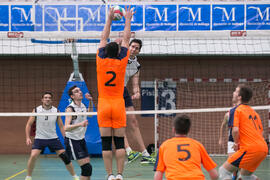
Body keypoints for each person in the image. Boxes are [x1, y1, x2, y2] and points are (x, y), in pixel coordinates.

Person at [96, 6, 134, 180]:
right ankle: (120, 174)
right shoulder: (122, 62)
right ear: (119, 53)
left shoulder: (100, 60)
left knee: (105, 143)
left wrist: (109, 19)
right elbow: (126, 39)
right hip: (118, 104)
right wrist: (128, 19)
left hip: (104, 103)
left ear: (105, 52)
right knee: (119, 143)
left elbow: (104, 37)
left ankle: (109, 175)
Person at [25, 92, 79, 180]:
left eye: (49, 98)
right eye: (45, 97)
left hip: (53, 138)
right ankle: (28, 176)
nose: (47, 99)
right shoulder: (36, 110)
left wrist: (66, 137)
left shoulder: (56, 111)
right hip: (40, 138)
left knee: (65, 157)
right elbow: (28, 125)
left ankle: (74, 176)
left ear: (52, 100)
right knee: (33, 155)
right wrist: (27, 137)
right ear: (42, 100)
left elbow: (61, 126)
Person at [219, 84, 268, 180]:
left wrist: (237, 143)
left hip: (250, 149)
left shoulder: (235, 110)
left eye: (235, 91)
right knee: (246, 176)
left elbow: (235, 130)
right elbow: (261, 132)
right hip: (263, 149)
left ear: (239, 97)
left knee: (223, 171)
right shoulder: (255, 113)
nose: (233, 93)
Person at [121, 38, 156, 165]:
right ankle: (129, 151)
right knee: (119, 124)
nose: (134, 49)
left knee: (134, 121)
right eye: (132, 46)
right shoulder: (120, 55)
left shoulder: (137, 65)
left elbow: (135, 83)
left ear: (139, 51)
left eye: (137, 48)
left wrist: (136, 92)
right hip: (112, 90)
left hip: (123, 90)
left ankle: (145, 154)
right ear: (128, 46)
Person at [154, 115, 218, 180]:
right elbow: (214, 174)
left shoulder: (164, 146)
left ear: (173, 129)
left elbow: (158, 175)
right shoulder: (197, 145)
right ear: (189, 130)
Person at [65, 86, 93, 180]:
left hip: (81, 139)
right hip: (72, 140)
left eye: (80, 90)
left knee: (88, 169)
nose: (80, 92)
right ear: (72, 96)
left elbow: (90, 114)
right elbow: (66, 128)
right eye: (76, 91)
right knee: (86, 168)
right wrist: (80, 124)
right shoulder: (70, 109)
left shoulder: (83, 105)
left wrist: (90, 101)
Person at [218, 103, 238, 180]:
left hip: (241, 141)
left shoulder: (242, 114)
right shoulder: (228, 115)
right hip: (231, 141)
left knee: (239, 163)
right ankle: (234, 176)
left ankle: (235, 175)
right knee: (232, 161)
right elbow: (223, 125)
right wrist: (221, 138)